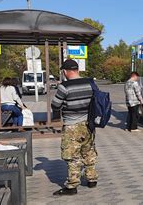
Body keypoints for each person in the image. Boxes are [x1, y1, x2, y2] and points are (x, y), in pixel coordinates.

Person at [51, 59, 98, 196]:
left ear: (65, 71)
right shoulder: (90, 83)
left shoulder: (64, 86)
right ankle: (92, 179)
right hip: (89, 125)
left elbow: (55, 105)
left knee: (72, 156)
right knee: (88, 151)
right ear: (77, 70)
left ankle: (72, 186)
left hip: (72, 126)